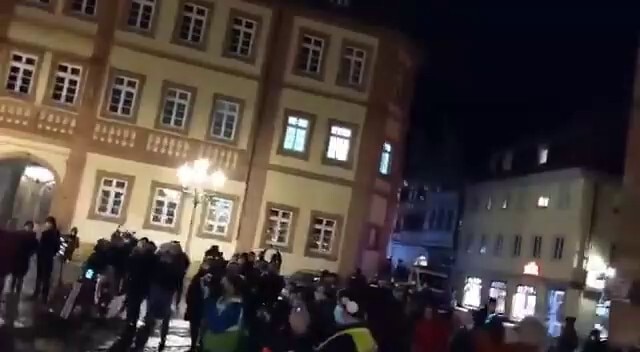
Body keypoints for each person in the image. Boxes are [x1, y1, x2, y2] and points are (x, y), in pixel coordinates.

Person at [293, 288, 377, 352]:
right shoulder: (365, 333)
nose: (336, 308)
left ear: (350, 307)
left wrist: (300, 334)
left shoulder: (346, 339)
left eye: (338, 304)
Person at [201, 274, 245, 352]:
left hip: (223, 344)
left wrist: (207, 300)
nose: (221, 285)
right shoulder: (220, 300)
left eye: (224, 284)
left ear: (232, 287)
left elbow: (218, 326)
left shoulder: (236, 306)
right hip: (212, 345)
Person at [34, 216, 61, 303]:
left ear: (52, 224)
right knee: (42, 276)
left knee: (44, 277)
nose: (47, 224)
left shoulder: (50, 234)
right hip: (45, 257)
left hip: (46, 257)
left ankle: (42, 295)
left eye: (49, 223)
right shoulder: (52, 233)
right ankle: (40, 295)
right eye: (46, 222)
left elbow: (56, 246)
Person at [10, 221, 38, 295]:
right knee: (15, 277)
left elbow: (35, 248)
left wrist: (29, 254)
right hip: (18, 259)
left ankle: (15, 293)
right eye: (28, 226)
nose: (28, 228)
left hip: (23, 259)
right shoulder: (20, 234)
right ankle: (12, 292)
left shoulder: (32, 237)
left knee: (19, 278)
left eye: (30, 227)